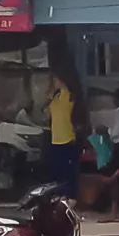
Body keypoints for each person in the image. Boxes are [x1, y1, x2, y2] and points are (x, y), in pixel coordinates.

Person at [46, 69, 81, 198]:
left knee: (69, 172)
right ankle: (60, 195)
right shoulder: (55, 98)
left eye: (56, 80)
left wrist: (61, 81)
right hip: (55, 140)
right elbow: (47, 112)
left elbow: (66, 87)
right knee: (58, 171)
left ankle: (71, 196)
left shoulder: (67, 96)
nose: (54, 83)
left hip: (67, 139)